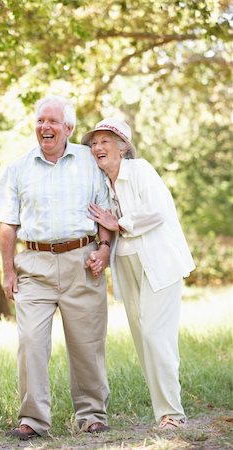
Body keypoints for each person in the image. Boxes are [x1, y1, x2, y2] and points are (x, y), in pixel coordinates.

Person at [0, 96, 111, 440]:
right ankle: (33, 419)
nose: (45, 127)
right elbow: (6, 225)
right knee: (30, 342)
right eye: (41, 120)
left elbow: (104, 212)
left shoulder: (89, 162)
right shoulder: (18, 168)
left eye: (53, 121)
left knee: (87, 343)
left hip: (82, 262)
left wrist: (103, 249)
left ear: (68, 128)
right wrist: (8, 271)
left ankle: (91, 414)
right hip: (34, 265)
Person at [82, 118, 195, 430]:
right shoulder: (102, 182)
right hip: (127, 263)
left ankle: (174, 413)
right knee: (142, 338)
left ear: (122, 147)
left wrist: (121, 223)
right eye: (94, 143)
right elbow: (102, 222)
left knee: (155, 335)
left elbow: (158, 210)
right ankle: (164, 412)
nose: (98, 147)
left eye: (105, 141)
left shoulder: (141, 170)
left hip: (160, 262)